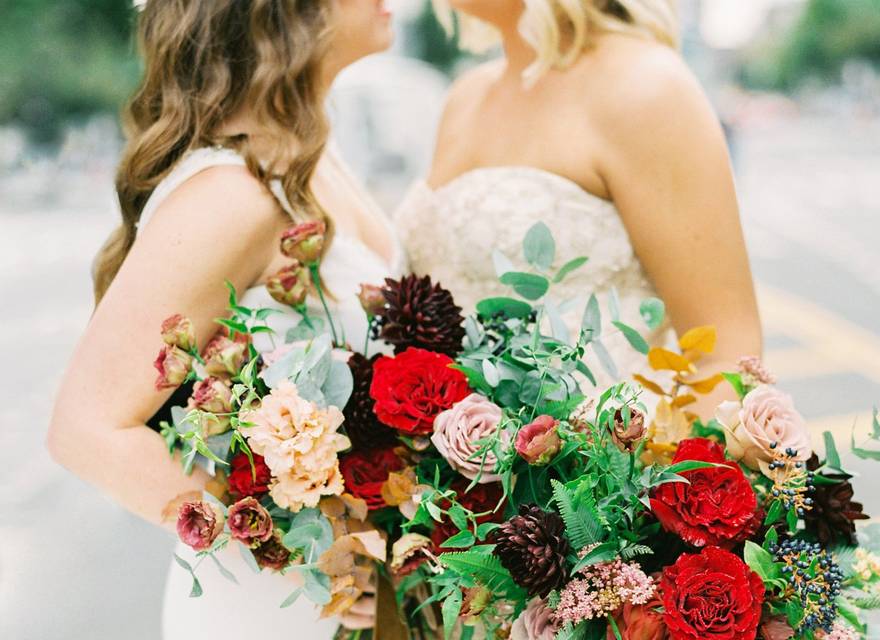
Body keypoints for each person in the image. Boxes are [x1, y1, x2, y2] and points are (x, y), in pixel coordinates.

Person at [46, 1, 399, 637]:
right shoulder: (233, 193)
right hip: (277, 608)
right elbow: (85, 429)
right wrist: (296, 548)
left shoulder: (310, 157)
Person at [396, 0, 761, 414]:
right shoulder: (463, 98)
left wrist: (624, 473)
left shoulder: (644, 84)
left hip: (597, 468)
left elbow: (725, 355)